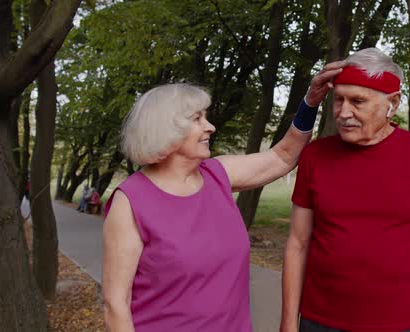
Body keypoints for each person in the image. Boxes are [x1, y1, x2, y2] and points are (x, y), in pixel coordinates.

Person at [102, 74, 342, 331]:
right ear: (166, 130)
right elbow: (116, 304)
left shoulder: (218, 174)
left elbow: (284, 156)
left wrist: (310, 103)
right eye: (197, 119)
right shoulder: (130, 202)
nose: (210, 127)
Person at [280, 48, 410, 332]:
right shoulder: (315, 155)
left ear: (393, 103)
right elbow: (297, 244)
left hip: (406, 323)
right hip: (321, 321)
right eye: (338, 100)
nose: (343, 112)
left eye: (358, 101)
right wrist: (289, 324)